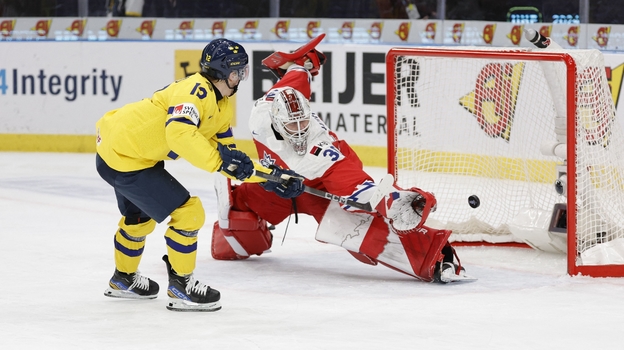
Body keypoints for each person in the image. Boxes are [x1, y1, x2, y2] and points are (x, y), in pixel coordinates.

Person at [211, 36, 472, 283]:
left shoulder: (321, 147)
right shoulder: (262, 112)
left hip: (316, 187)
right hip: (275, 187)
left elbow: (355, 184)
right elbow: (294, 79)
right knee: (235, 223)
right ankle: (243, 239)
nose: (301, 129)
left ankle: (437, 259)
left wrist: (388, 201)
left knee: (359, 232)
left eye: (304, 121)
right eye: (293, 125)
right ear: (277, 121)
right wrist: (301, 65)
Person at [95, 38, 305, 312]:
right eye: (238, 71)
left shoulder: (221, 101)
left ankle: (123, 279)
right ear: (225, 73)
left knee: (138, 218)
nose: (241, 77)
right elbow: (179, 134)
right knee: (190, 212)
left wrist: (271, 177)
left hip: (119, 149)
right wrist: (223, 163)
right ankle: (181, 287)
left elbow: (232, 156)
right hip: (126, 158)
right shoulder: (195, 93)